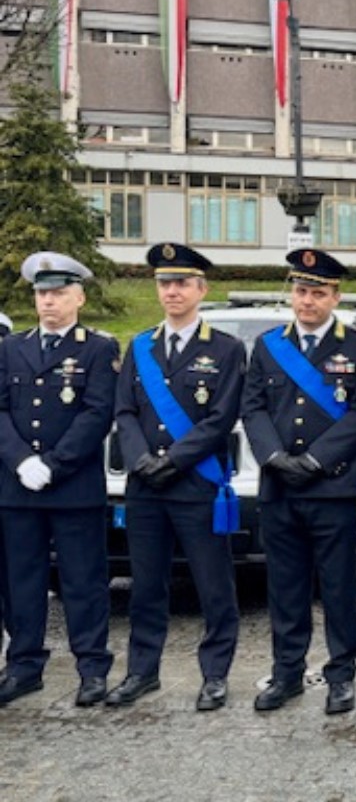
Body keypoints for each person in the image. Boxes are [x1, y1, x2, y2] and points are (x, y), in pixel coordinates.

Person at [241, 248, 356, 715]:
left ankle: (342, 674)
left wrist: (318, 460)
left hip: (334, 487)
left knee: (339, 586)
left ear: (334, 296)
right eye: (301, 291)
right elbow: (254, 407)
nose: (307, 301)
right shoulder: (268, 345)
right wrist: (274, 457)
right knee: (285, 585)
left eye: (317, 292)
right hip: (281, 485)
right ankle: (287, 674)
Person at [109, 243, 245, 711]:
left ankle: (215, 675)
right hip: (146, 488)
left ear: (201, 289)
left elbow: (221, 417)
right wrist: (141, 458)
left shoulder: (226, 349)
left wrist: (175, 460)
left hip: (196, 486)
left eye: (182, 283)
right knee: (146, 586)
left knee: (214, 586)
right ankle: (142, 672)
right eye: (165, 283)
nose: (172, 291)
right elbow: (124, 411)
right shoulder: (140, 346)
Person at [0, 252, 117, 706]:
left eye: (59, 293)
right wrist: (18, 462)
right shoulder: (11, 348)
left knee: (83, 580)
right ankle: (25, 666)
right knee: (20, 582)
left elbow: (96, 414)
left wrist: (53, 463)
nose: (49, 302)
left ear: (79, 297)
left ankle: (92, 667)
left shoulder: (98, 347)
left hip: (72, 487)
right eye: (42, 293)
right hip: (16, 488)